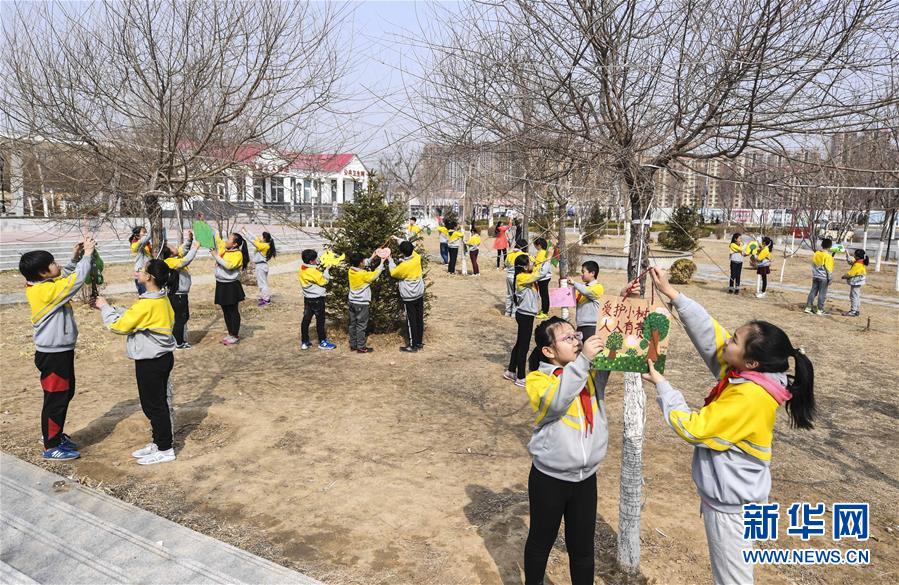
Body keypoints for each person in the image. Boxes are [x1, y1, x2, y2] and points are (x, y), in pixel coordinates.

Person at [642, 267, 816, 585]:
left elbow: (695, 428)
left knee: (733, 579)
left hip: (732, 509)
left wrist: (663, 386)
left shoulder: (749, 395)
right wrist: (673, 294)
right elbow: (712, 336)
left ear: (750, 362)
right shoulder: (754, 374)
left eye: (735, 339)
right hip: (735, 498)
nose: (728, 340)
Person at [523, 317, 609, 585]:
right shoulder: (538, 380)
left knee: (583, 549)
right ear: (548, 351)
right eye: (568, 338)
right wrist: (583, 361)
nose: (576, 341)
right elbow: (558, 402)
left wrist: (621, 306)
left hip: (585, 479)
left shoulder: (589, 373)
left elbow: (617, 351)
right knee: (540, 543)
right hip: (550, 478)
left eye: (577, 336)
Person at [95, 259, 181, 466]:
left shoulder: (149, 303)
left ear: (149, 278)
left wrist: (105, 308)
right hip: (158, 358)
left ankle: (165, 448)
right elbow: (135, 317)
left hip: (151, 361)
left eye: (142, 271)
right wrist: (113, 307)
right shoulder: (158, 298)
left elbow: (119, 326)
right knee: (153, 404)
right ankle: (158, 442)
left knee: (154, 406)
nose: (138, 273)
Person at [20, 236, 96, 461]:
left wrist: (75, 258)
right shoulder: (44, 292)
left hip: (60, 352)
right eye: (53, 263)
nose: (57, 265)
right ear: (43, 273)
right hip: (53, 355)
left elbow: (64, 278)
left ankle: (55, 434)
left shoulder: (42, 285)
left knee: (65, 392)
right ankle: (51, 445)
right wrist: (88, 255)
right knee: (56, 398)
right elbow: (74, 281)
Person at [503, 254, 541, 387]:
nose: (532, 264)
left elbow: (536, 273)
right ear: (524, 267)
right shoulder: (521, 277)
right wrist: (547, 258)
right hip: (525, 316)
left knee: (519, 344)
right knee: (524, 347)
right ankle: (520, 377)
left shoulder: (524, 276)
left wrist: (537, 263)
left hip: (525, 315)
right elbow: (539, 275)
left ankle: (511, 371)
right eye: (530, 263)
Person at [161, 232, 200, 349]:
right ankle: (178, 342)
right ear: (169, 253)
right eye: (172, 247)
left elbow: (184, 250)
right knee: (180, 318)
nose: (175, 247)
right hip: (177, 295)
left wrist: (190, 240)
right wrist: (195, 248)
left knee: (183, 317)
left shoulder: (175, 258)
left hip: (181, 294)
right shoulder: (170, 261)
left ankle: (180, 340)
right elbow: (186, 260)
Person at [211, 232, 249, 345]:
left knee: (232, 311)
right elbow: (217, 239)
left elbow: (229, 265)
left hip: (231, 286)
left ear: (235, 244)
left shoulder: (238, 254)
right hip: (221, 284)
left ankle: (235, 334)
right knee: (225, 310)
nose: (226, 241)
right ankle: (230, 333)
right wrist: (203, 224)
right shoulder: (226, 249)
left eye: (229, 239)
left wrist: (216, 256)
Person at [389, 240, 426, 352]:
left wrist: (390, 260)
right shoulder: (417, 258)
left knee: (411, 321)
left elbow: (393, 272)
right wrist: (397, 239)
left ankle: (412, 345)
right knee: (419, 318)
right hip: (419, 294)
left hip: (409, 296)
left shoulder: (403, 266)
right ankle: (419, 342)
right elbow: (411, 249)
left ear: (402, 252)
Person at [298, 249, 336, 350]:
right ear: (311, 261)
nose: (316, 261)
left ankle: (305, 341)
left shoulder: (302, 268)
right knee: (320, 321)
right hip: (317, 299)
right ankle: (322, 342)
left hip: (307, 299)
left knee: (306, 320)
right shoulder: (313, 271)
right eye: (315, 260)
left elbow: (315, 272)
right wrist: (327, 270)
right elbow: (323, 281)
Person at [348, 250, 385, 353]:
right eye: (363, 261)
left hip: (351, 302)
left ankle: (353, 345)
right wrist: (382, 263)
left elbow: (363, 265)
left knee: (352, 324)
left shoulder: (351, 270)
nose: (365, 262)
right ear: (360, 263)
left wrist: (372, 257)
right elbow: (375, 275)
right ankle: (361, 347)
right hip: (361, 303)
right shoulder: (363, 274)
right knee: (361, 325)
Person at [570, 260, 604, 339]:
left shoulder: (598, 287)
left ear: (592, 273)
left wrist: (574, 283)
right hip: (580, 326)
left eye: (583, 272)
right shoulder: (581, 289)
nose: (581, 274)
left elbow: (587, 292)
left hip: (591, 327)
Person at [244, 229, 277, 306]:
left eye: (262, 237)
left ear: (264, 238)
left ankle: (266, 300)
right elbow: (256, 238)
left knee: (263, 284)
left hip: (261, 266)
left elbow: (254, 242)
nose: (260, 238)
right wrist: (247, 231)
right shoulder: (265, 244)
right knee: (261, 283)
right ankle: (264, 297)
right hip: (261, 266)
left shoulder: (265, 246)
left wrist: (245, 235)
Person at [804, 237, 834, 314]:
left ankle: (808, 307)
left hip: (815, 276)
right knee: (822, 294)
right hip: (823, 278)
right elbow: (829, 270)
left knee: (813, 292)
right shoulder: (828, 256)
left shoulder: (816, 253)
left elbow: (813, 265)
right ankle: (820, 309)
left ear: (822, 245)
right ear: (830, 246)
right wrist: (830, 279)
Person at [504, 239, 529, 317]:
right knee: (516, 294)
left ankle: (507, 311)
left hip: (509, 276)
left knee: (509, 294)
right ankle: (514, 312)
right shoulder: (523, 254)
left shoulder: (510, 253)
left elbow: (505, 263)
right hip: (517, 276)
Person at [841, 248, 868, 317]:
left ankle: (853, 311)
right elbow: (851, 261)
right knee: (856, 296)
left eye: (854, 255)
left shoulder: (857, 265)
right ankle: (856, 310)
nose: (854, 256)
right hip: (858, 283)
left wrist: (844, 276)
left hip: (856, 282)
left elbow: (850, 274)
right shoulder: (860, 262)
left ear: (857, 256)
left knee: (853, 296)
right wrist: (847, 253)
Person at [533, 237, 552, 319]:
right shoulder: (543, 252)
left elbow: (538, 266)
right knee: (543, 295)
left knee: (544, 295)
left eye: (535, 245)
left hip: (543, 278)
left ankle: (545, 312)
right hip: (544, 277)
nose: (535, 247)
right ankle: (544, 310)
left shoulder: (541, 253)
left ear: (539, 245)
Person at [129, 226, 152, 295]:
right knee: (145, 296)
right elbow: (144, 240)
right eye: (144, 232)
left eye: (146, 232)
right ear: (137, 235)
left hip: (147, 274)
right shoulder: (135, 245)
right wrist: (153, 230)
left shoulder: (147, 246)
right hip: (141, 275)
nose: (146, 234)